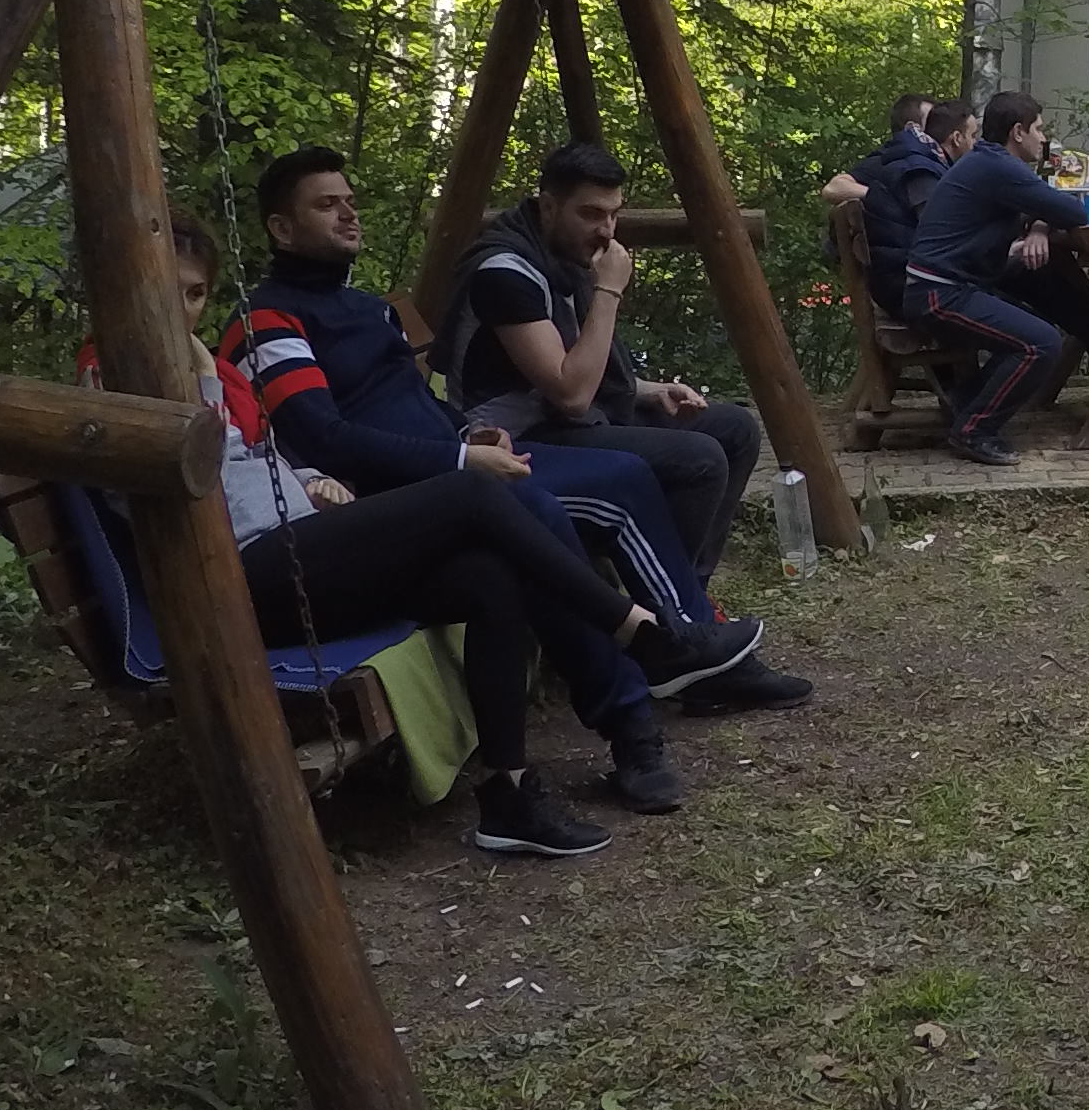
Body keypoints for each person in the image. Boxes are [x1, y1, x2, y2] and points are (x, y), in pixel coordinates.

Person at [235, 148, 810, 726]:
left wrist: (469, 432)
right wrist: (462, 455)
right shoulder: (268, 320)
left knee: (718, 434)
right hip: (406, 495)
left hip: (473, 455)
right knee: (628, 479)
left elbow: (415, 403)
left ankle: (684, 630)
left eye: (350, 202)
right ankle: (680, 644)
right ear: (281, 229)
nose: (348, 215)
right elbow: (325, 437)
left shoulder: (368, 310)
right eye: (327, 206)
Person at [163, 217, 634, 856]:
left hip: (295, 544)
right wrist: (203, 378)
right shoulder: (119, 383)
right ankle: (627, 623)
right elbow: (185, 473)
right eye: (166, 292)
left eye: (194, 293)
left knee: (487, 578)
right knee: (471, 492)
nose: (183, 310)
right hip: (237, 575)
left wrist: (308, 479)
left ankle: (508, 796)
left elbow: (252, 456)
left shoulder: (212, 372)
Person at [446, 138, 768, 578]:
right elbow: (571, 394)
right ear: (549, 206)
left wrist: (647, 391)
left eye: (613, 214)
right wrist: (609, 290)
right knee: (699, 459)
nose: (607, 230)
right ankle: (669, 603)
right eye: (591, 214)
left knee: (735, 428)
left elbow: (573, 369)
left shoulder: (559, 256)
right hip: (515, 440)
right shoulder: (505, 273)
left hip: (565, 418)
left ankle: (687, 590)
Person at [904, 90, 1089, 466]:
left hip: (940, 286)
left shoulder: (987, 162)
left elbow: (1041, 208)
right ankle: (974, 430)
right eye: (1038, 129)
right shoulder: (999, 168)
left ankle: (964, 403)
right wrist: (1042, 220)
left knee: (1039, 308)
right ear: (1017, 132)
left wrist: (1038, 224)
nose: (1043, 138)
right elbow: (1073, 213)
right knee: (1040, 342)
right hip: (939, 294)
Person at [823, 95, 973, 317]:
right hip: (908, 281)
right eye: (931, 120)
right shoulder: (892, 160)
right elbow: (833, 188)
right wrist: (883, 199)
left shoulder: (931, 162)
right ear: (913, 128)